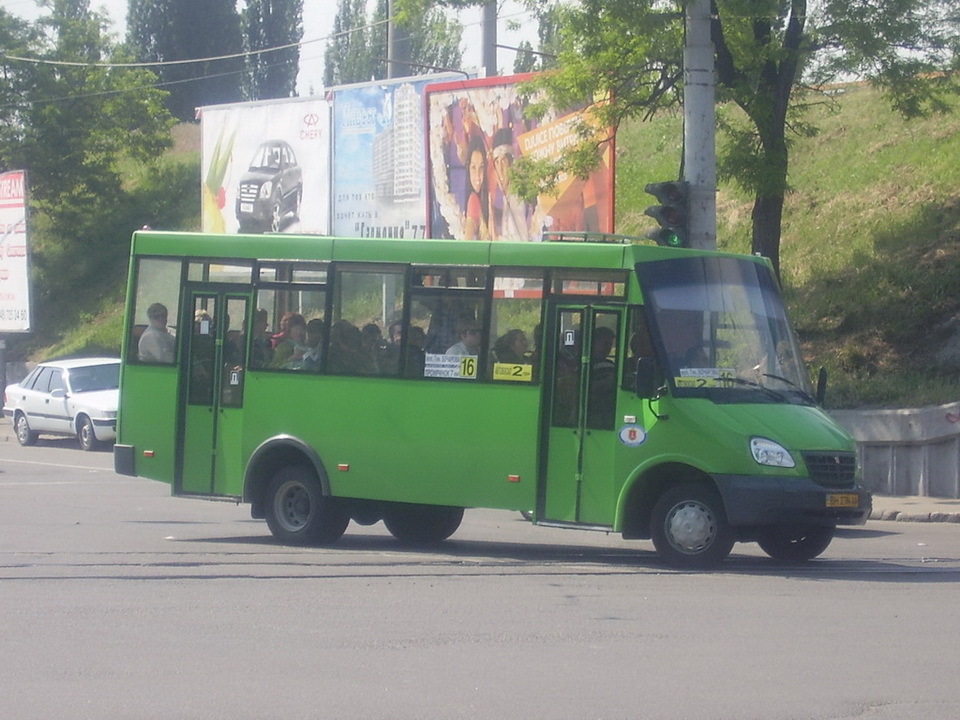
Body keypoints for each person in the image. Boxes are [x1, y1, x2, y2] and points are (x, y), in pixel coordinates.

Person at [463, 135, 489, 241]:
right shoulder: (473, 200)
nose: (478, 175)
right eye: (473, 167)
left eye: (481, 167)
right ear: (468, 168)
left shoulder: (486, 197)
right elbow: (466, 243)